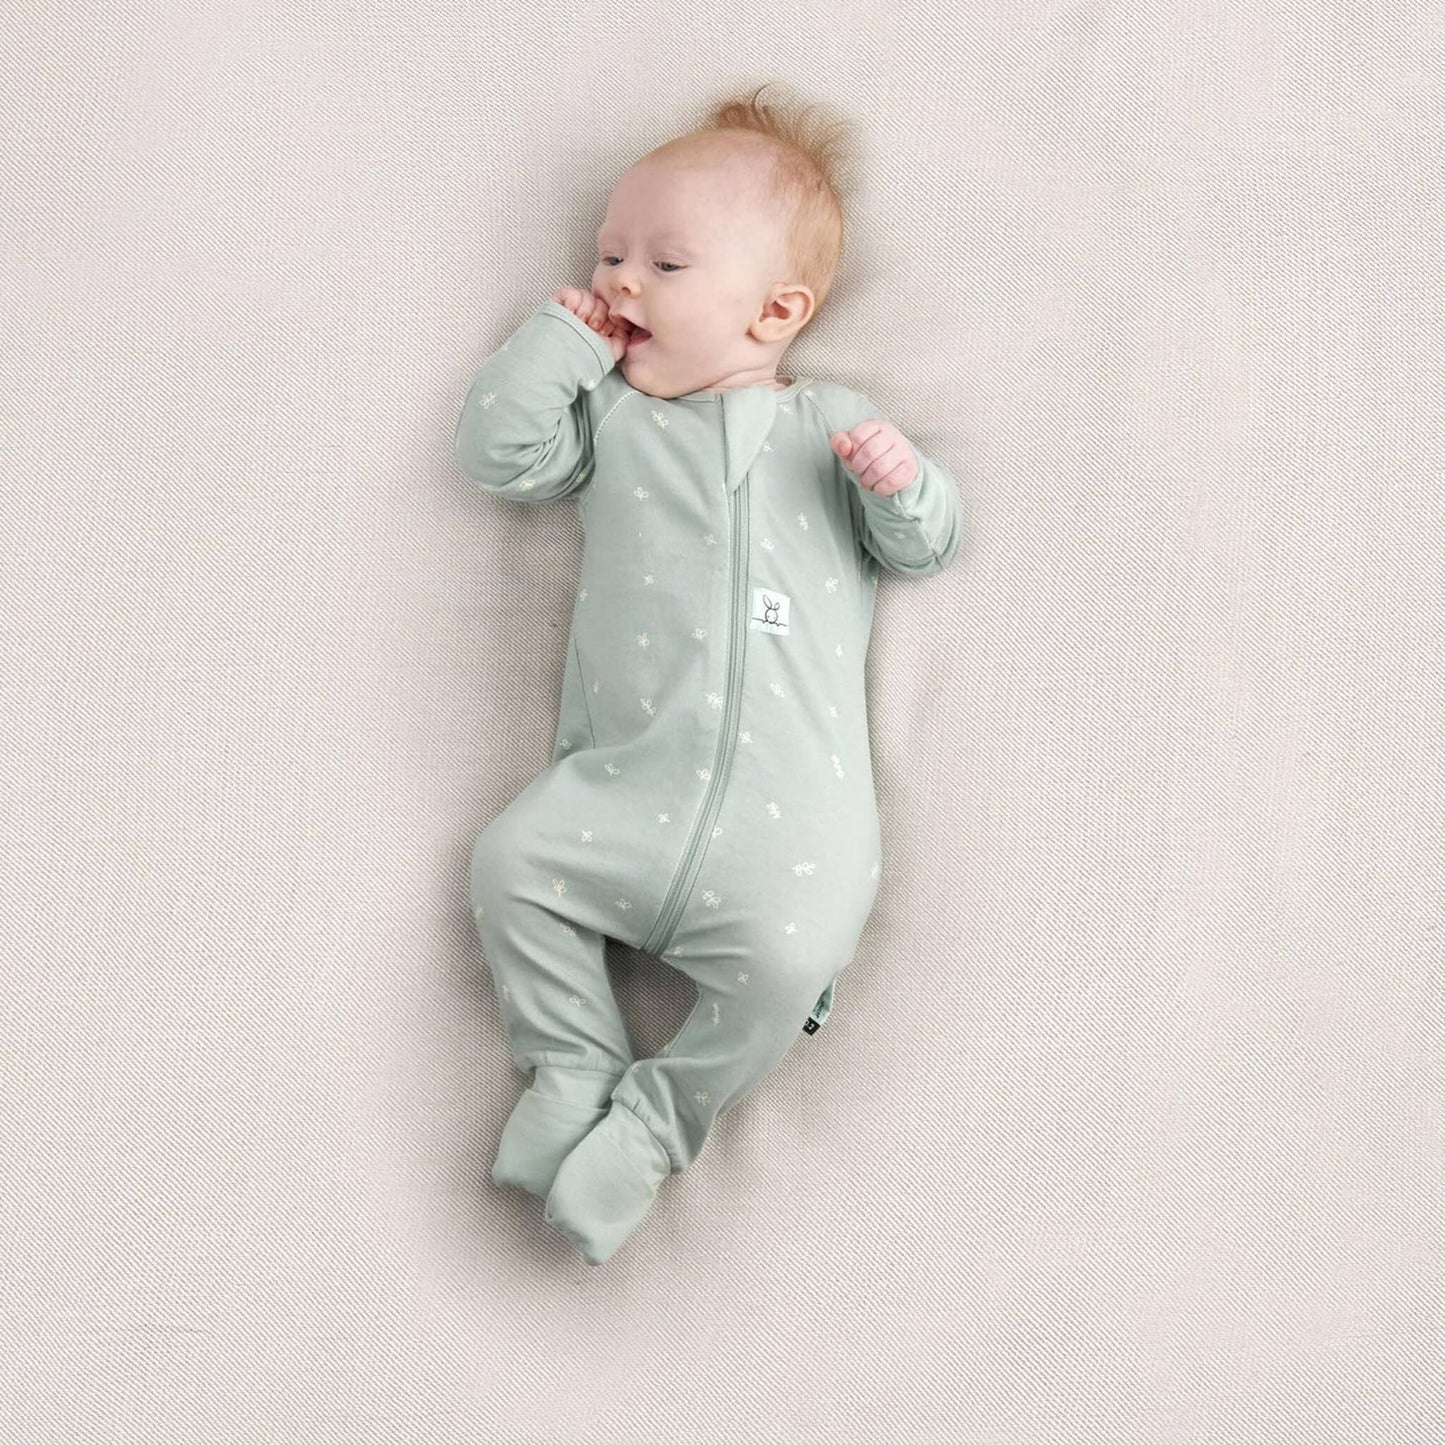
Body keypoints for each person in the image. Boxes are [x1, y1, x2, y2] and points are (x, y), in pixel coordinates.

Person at [454, 81, 963, 1265]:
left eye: (664, 265)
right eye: (610, 255)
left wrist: (902, 482)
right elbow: (495, 449)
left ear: (775, 310)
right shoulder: (611, 425)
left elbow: (921, 545)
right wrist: (559, 340)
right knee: (507, 864)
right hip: (620, 790)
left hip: (790, 829)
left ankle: (654, 1118)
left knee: (794, 959)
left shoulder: (828, 425)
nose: (622, 280)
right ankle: (572, 1059)